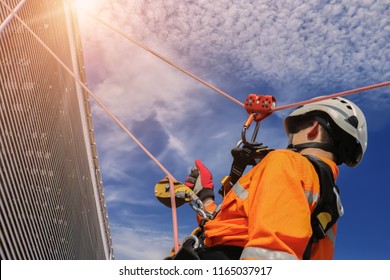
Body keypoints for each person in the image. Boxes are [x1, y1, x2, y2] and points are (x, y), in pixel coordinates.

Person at [181, 97, 367, 260]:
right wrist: (205, 196)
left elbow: (270, 255)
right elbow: (231, 225)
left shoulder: (286, 162)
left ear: (313, 128)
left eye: (294, 129)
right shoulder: (330, 203)